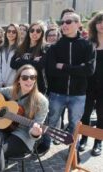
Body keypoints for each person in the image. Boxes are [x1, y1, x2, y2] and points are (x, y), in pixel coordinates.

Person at [40, 12, 96, 154]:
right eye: (62, 22)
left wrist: (64, 67)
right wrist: (78, 68)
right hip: (57, 92)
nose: (64, 25)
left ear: (78, 24)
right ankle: (45, 144)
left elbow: (89, 70)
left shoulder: (88, 45)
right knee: (51, 121)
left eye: (68, 22)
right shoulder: (55, 47)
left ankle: (73, 151)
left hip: (78, 94)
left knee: (74, 125)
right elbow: (52, 70)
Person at [0, 64, 48, 172]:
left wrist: (35, 133)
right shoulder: (12, 90)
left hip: (23, 134)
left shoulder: (41, 101)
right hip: (4, 127)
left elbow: (35, 133)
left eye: (32, 77)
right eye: (25, 77)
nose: (29, 80)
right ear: (19, 80)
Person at [79, 11, 103, 156]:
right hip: (88, 84)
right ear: (94, 24)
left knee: (102, 115)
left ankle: (98, 142)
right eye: (99, 22)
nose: (102, 25)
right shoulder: (89, 43)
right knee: (85, 114)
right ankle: (83, 139)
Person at [11, 21, 48, 94]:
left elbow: (40, 65)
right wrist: (33, 61)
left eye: (38, 31)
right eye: (32, 30)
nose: (35, 33)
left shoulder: (44, 48)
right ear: (29, 32)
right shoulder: (21, 47)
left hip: (38, 86)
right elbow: (12, 64)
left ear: (42, 33)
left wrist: (21, 61)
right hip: (21, 85)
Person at [0, 24, 20, 88]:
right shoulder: (2, 47)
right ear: (6, 33)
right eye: (9, 31)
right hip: (1, 84)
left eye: (14, 32)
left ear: (17, 34)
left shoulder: (20, 48)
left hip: (14, 84)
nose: (11, 33)